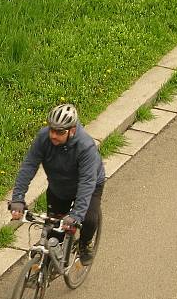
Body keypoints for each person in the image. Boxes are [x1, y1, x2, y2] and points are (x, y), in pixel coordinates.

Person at [8, 103, 105, 265]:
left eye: (60, 132)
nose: (53, 135)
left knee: (88, 220)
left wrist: (76, 215)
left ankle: (84, 244)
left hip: (90, 185)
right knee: (54, 231)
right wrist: (18, 198)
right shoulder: (43, 138)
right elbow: (29, 166)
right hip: (59, 186)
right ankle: (45, 268)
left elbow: (87, 182)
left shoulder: (85, 147)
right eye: (51, 129)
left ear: (72, 130)